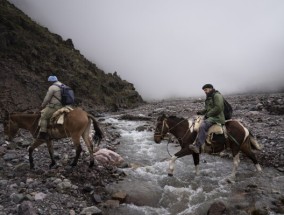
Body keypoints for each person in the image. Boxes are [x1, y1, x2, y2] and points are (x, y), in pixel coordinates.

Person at [189, 84, 225, 153]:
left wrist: (207, 115)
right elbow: (207, 109)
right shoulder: (209, 97)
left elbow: (218, 108)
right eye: (204, 90)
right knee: (196, 122)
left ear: (210, 88)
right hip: (212, 116)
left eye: (206, 90)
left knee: (203, 126)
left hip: (217, 117)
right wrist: (200, 112)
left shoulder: (217, 96)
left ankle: (197, 146)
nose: (205, 91)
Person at [38, 75, 63, 140]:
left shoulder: (52, 87)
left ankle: (43, 134)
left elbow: (47, 99)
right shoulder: (63, 85)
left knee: (44, 117)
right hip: (63, 106)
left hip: (55, 106)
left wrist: (42, 105)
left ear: (51, 81)